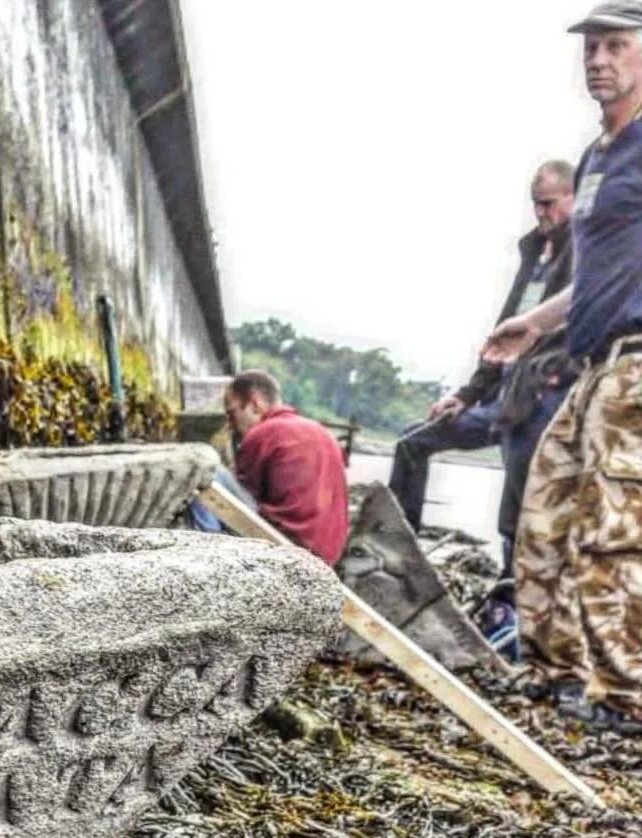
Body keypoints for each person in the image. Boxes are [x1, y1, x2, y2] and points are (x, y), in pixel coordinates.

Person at [484, 4, 642, 730]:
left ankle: (624, 695)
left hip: (636, 366)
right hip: (590, 362)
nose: (598, 59)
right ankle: (553, 672)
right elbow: (595, 275)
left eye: (616, 46)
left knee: (614, 527)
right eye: (592, 47)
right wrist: (535, 321)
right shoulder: (596, 157)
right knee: (542, 515)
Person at [389, 163, 575, 546]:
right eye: (535, 204)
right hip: (497, 401)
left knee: (520, 505)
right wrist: (465, 395)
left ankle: (512, 590)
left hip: (538, 404)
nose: (541, 213)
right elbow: (501, 343)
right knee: (413, 441)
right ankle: (399, 545)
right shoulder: (533, 255)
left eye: (549, 203)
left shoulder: (586, 255)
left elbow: (584, 326)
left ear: (573, 199)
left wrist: (555, 378)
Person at [224, 370, 349, 563]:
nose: (230, 425)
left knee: (208, 470)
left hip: (286, 546)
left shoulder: (263, 433)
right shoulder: (322, 432)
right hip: (327, 554)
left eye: (232, 413)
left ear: (254, 403)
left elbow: (242, 498)